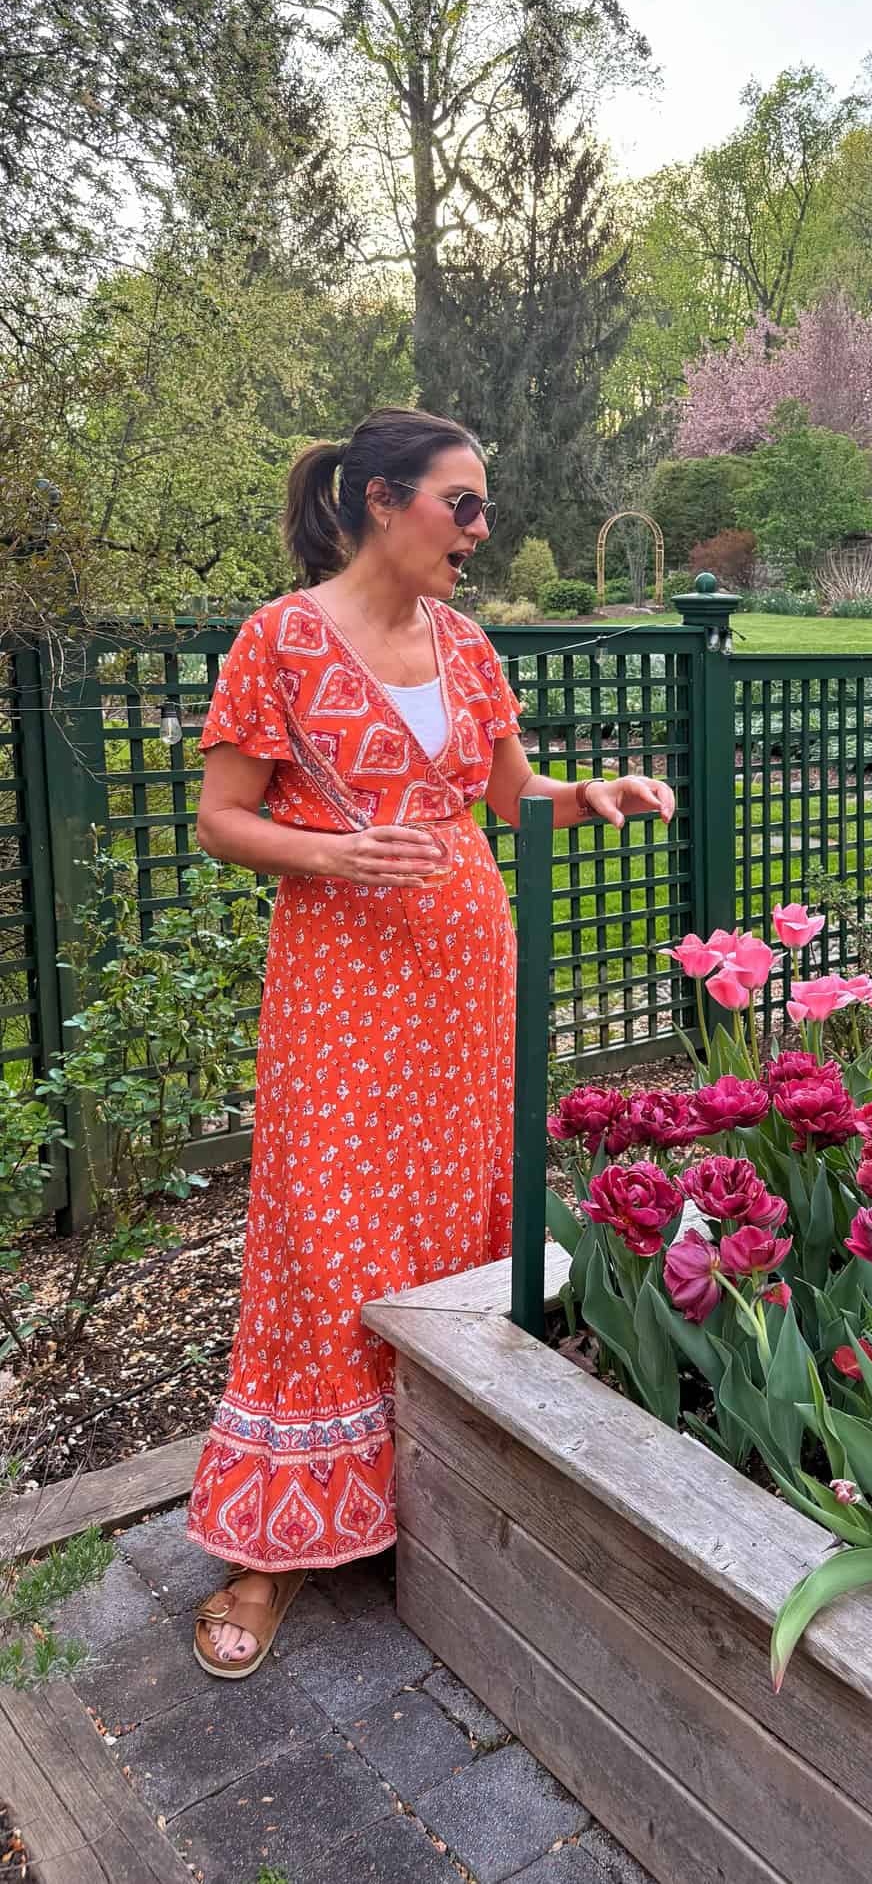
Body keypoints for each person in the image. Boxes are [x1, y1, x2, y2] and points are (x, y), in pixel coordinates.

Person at [187, 406, 674, 1676]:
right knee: (327, 1230)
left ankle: (435, 1491)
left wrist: (591, 794)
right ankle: (277, 1539)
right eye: (463, 504)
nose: (482, 527)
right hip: (341, 985)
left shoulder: (466, 646)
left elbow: (511, 796)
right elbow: (223, 819)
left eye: (482, 505)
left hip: (466, 972)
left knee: (461, 1220)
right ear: (382, 503)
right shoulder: (278, 642)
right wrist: (338, 851)